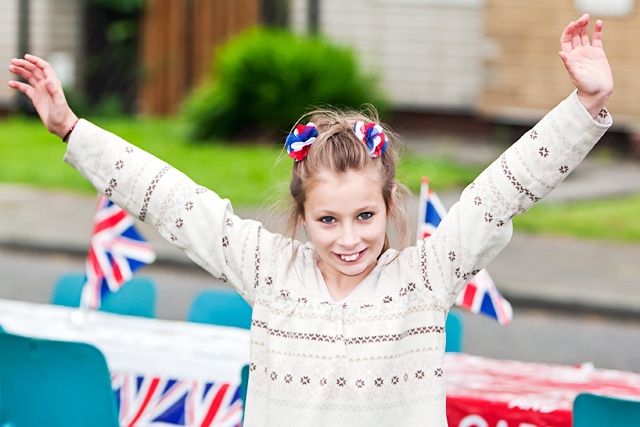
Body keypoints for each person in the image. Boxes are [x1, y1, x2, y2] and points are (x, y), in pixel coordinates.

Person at [8, 13, 613, 427]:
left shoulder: (428, 276)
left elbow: (500, 192)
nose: (348, 239)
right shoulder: (268, 268)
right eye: (327, 220)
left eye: (364, 216)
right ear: (300, 216)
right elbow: (172, 200)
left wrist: (585, 106)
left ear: (390, 204)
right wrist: (72, 129)